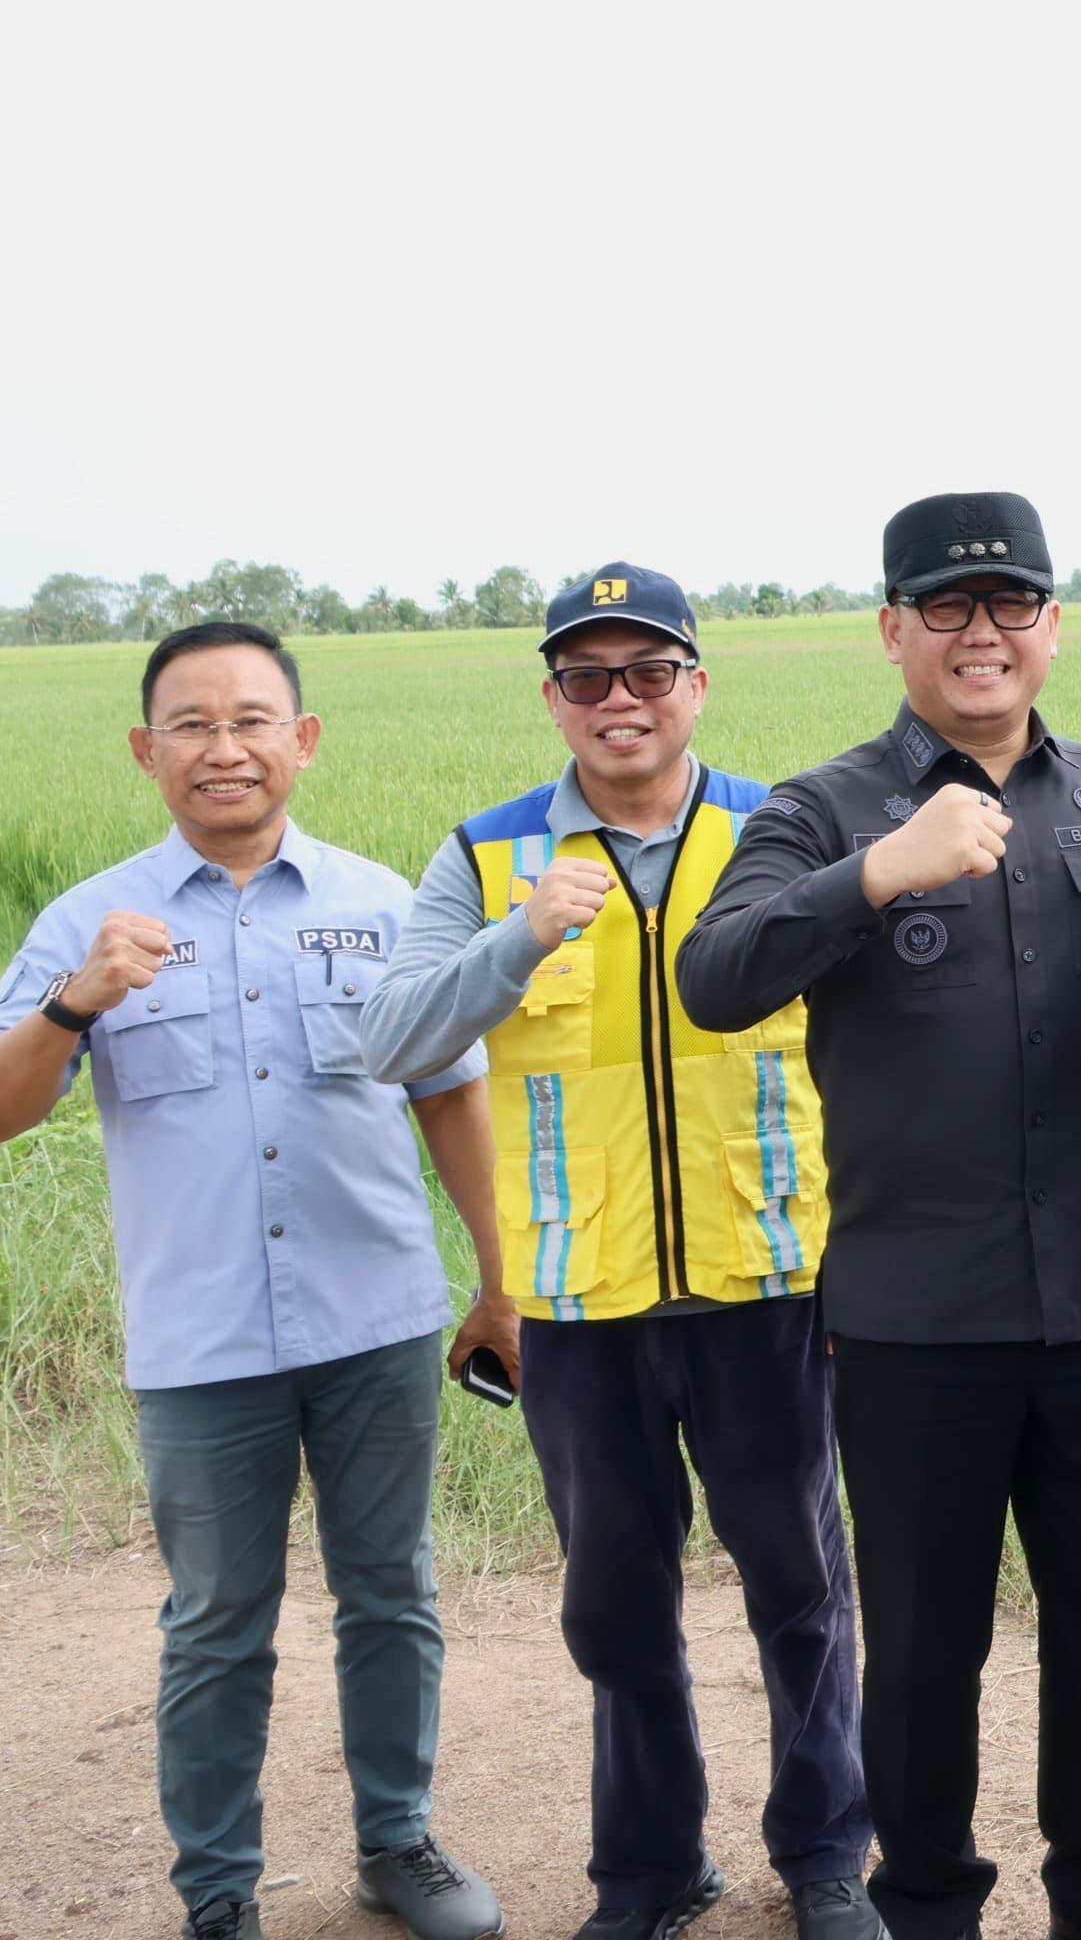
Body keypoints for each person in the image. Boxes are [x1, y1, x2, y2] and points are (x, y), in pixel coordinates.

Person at [676, 494, 1081, 1940]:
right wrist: (874, 872)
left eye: (1010, 603)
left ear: (1051, 625)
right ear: (892, 627)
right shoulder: (822, 807)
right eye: (949, 606)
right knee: (923, 1648)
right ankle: (926, 1905)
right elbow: (714, 978)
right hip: (917, 1320)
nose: (983, 632)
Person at [365, 563, 874, 1940]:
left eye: (650, 671)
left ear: (698, 686)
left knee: (803, 1587)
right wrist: (516, 941)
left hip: (770, 1282)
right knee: (617, 1609)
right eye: (587, 677)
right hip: (579, 1301)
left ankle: (829, 1859)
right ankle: (650, 1873)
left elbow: (878, 1045)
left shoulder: (782, 832)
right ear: (554, 701)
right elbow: (392, 1039)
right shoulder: (488, 857)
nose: (621, 701)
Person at [0, 623, 504, 1940]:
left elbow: (452, 1098)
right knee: (219, 1620)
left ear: (302, 738)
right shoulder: (87, 923)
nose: (224, 748)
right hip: (199, 1337)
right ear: (145, 749)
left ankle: (398, 1844)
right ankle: (217, 1896)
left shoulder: (387, 906)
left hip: (375, 1318)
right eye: (192, 724)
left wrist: (501, 1281)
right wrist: (73, 1005)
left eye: (251, 720)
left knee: (391, 1588)